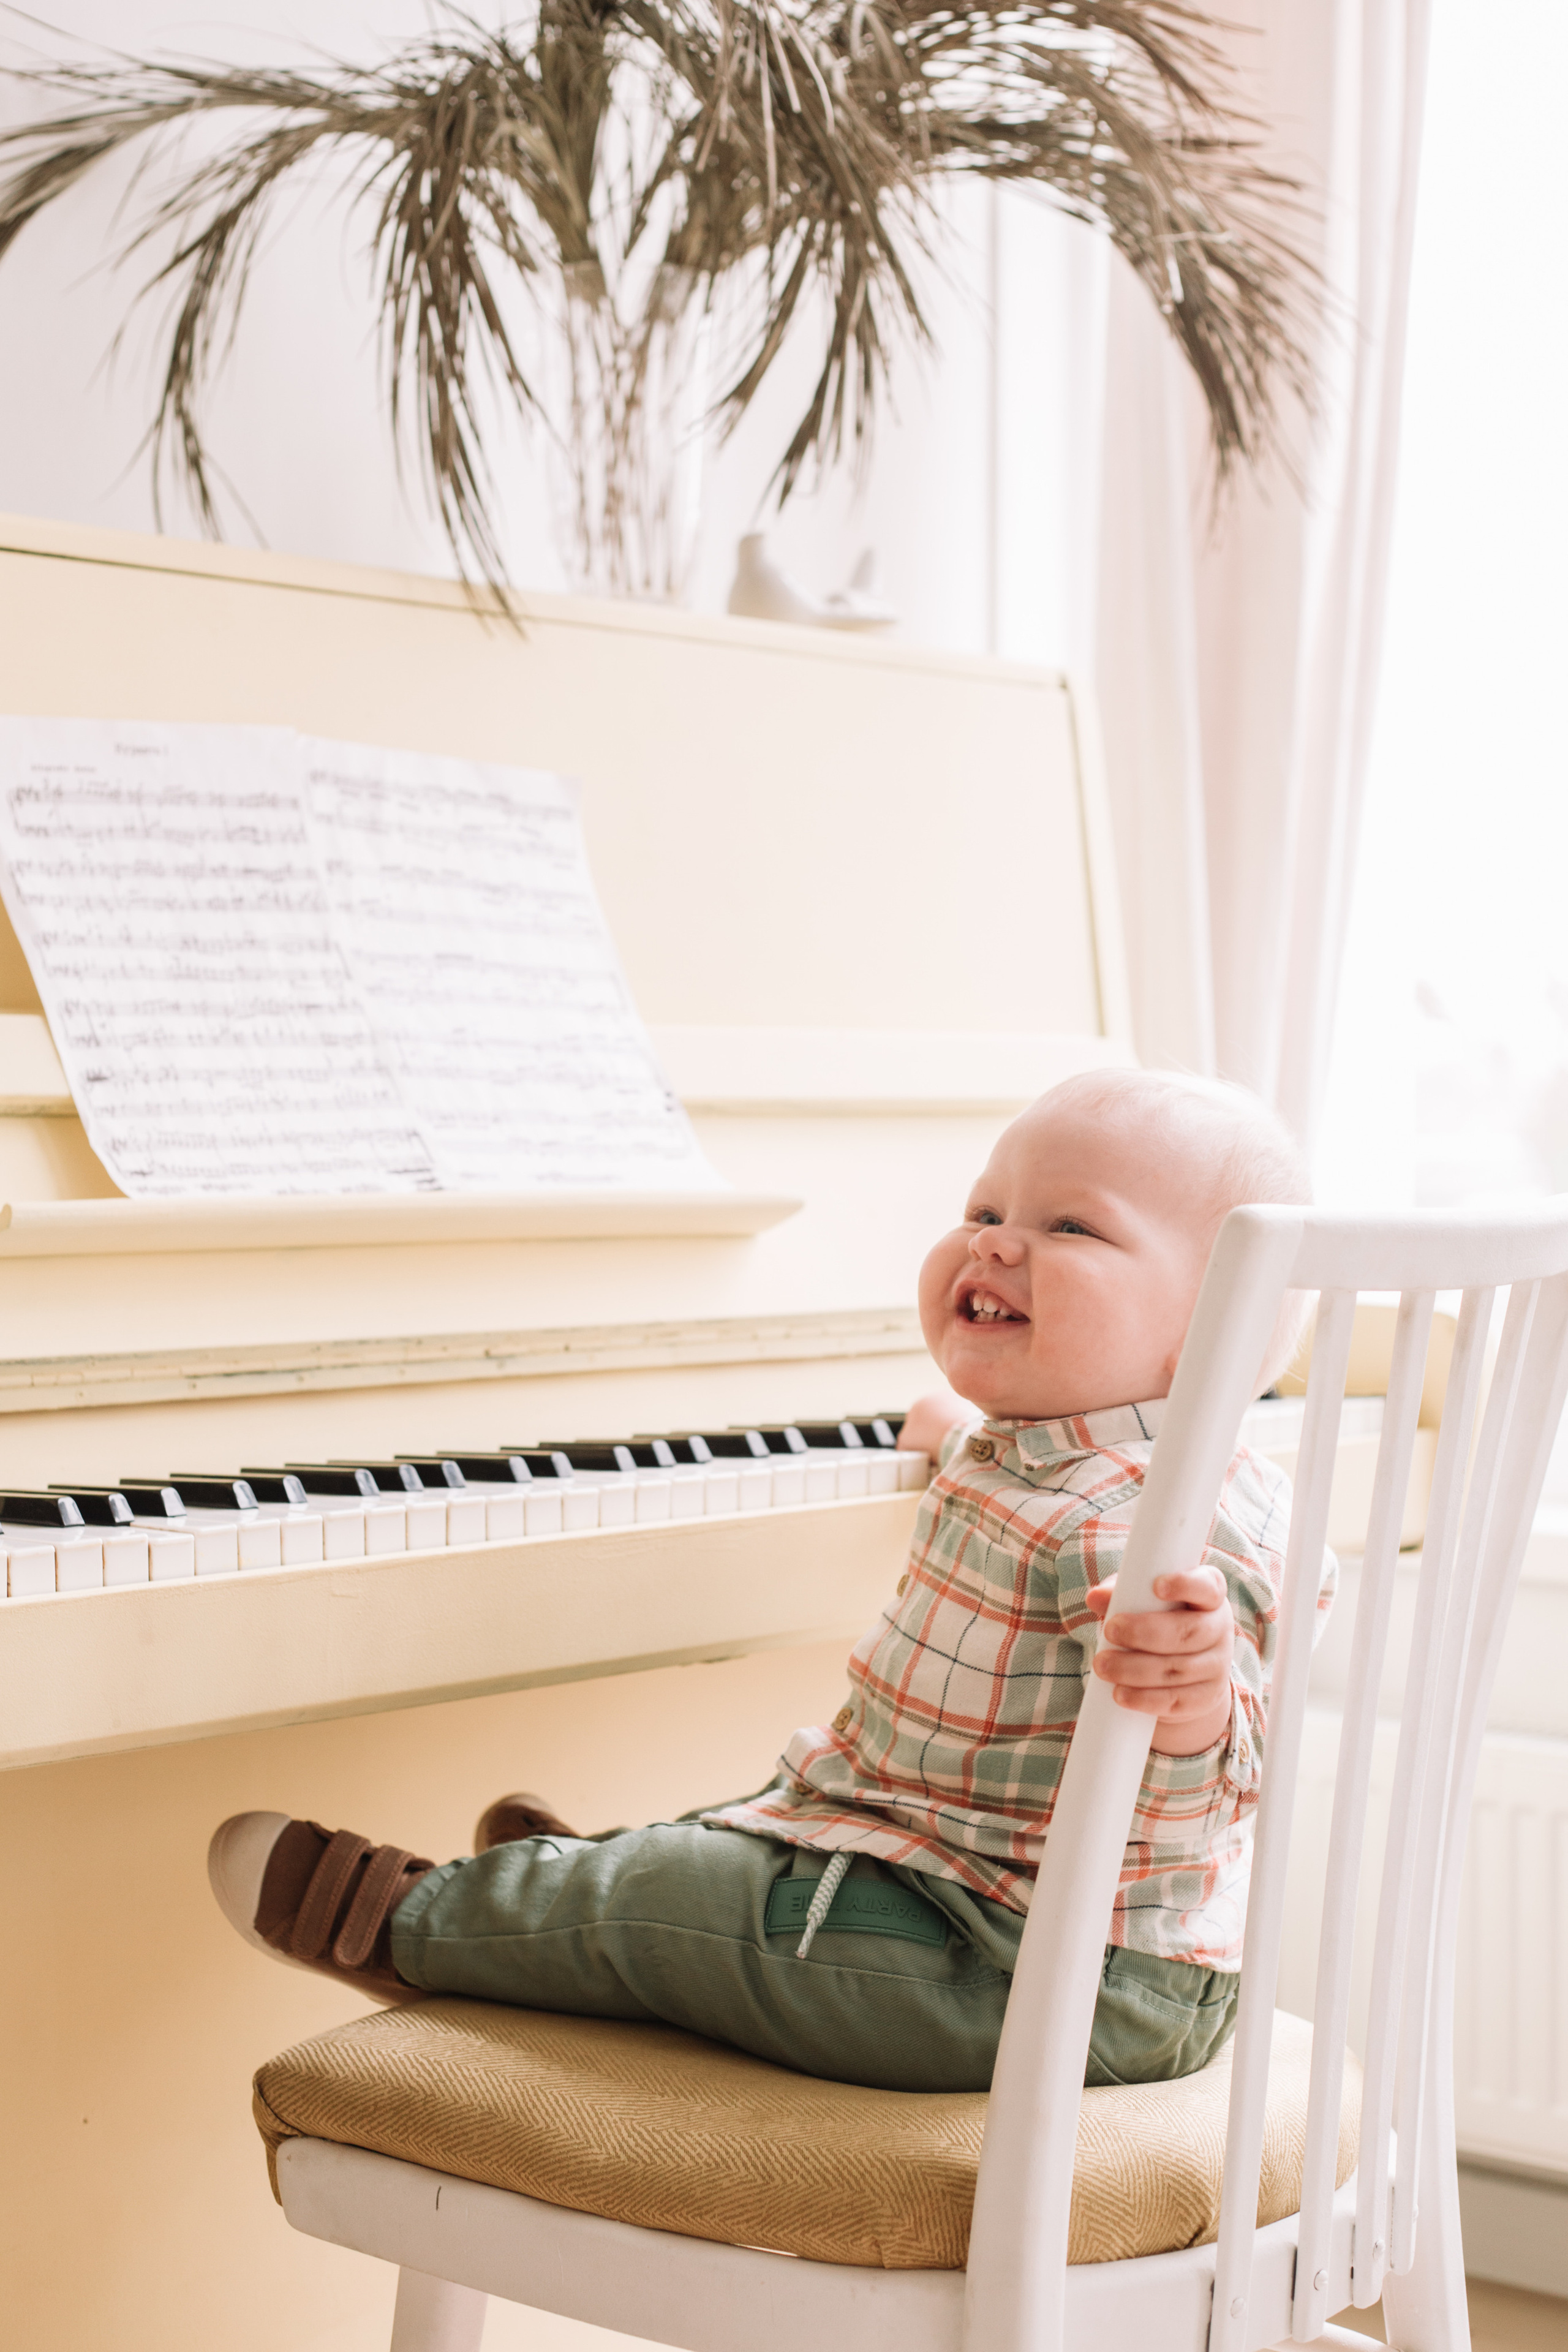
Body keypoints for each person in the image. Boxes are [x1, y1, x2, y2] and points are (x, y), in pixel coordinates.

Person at [209, 1068, 1329, 2095]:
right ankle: (576, 1903)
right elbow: (1023, 1482)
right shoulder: (1060, 1447)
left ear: (1210, 1329)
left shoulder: (1160, 1533)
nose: (992, 1246)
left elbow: (1207, 1783)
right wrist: (952, 1432)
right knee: (742, 1837)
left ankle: (409, 1923)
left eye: (1069, 1226)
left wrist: (1192, 1700)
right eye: (986, 1212)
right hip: (961, 1891)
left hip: (1031, 1975)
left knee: (703, 1906)